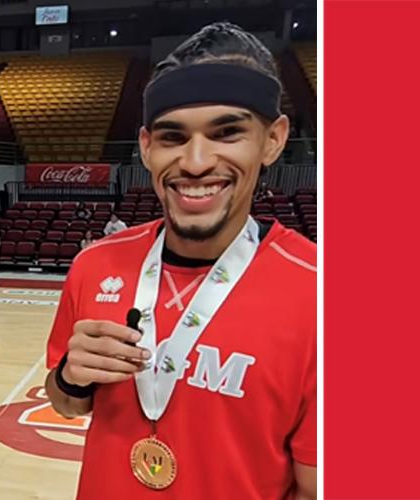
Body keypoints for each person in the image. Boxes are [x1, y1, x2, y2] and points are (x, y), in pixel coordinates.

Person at [44, 22, 316, 500]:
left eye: (227, 133)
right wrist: (71, 375)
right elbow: (65, 403)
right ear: (147, 147)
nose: (194, 162)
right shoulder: (95, 263)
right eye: (173, 137)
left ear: (272, 139)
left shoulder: (325, 294)